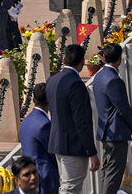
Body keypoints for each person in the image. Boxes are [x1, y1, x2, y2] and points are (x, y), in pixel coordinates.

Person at [46, 44, 98, 194]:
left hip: (57, 142)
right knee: (70, 189)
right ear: (82, 63)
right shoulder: (76, 84)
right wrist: (92, 151)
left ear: (63, 60)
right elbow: (81, 121)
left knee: (66, 186)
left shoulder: (52, 80)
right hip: (73, 146)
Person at [92, 43, 132, 194]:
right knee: (113, 174)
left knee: (107, 171)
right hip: (116, 132)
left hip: (105, 131)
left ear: (104, 57)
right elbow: (123, 108)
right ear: (120, 59)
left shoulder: (98, 76)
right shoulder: (114, 79)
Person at [19, 83, 58, 194]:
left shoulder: (26, 121)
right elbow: (54, 152)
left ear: (33, 100)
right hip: (44, 181)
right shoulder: (44, 124)